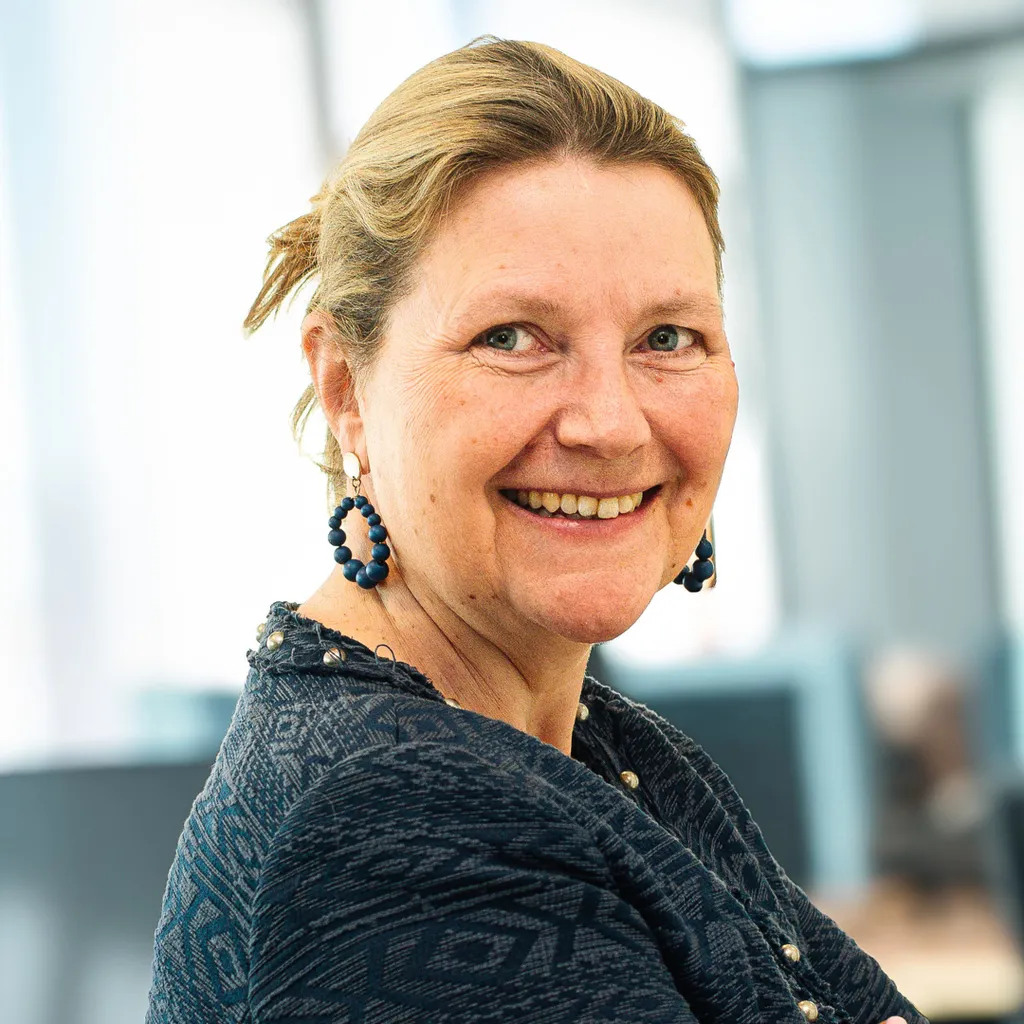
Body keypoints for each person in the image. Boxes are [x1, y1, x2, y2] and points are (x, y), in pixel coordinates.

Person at [146, 38, 926, 1024]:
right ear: (346, 387)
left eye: (667, 338)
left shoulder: (591, 744)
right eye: (511, 338)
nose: (607, 423)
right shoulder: (399, 830)